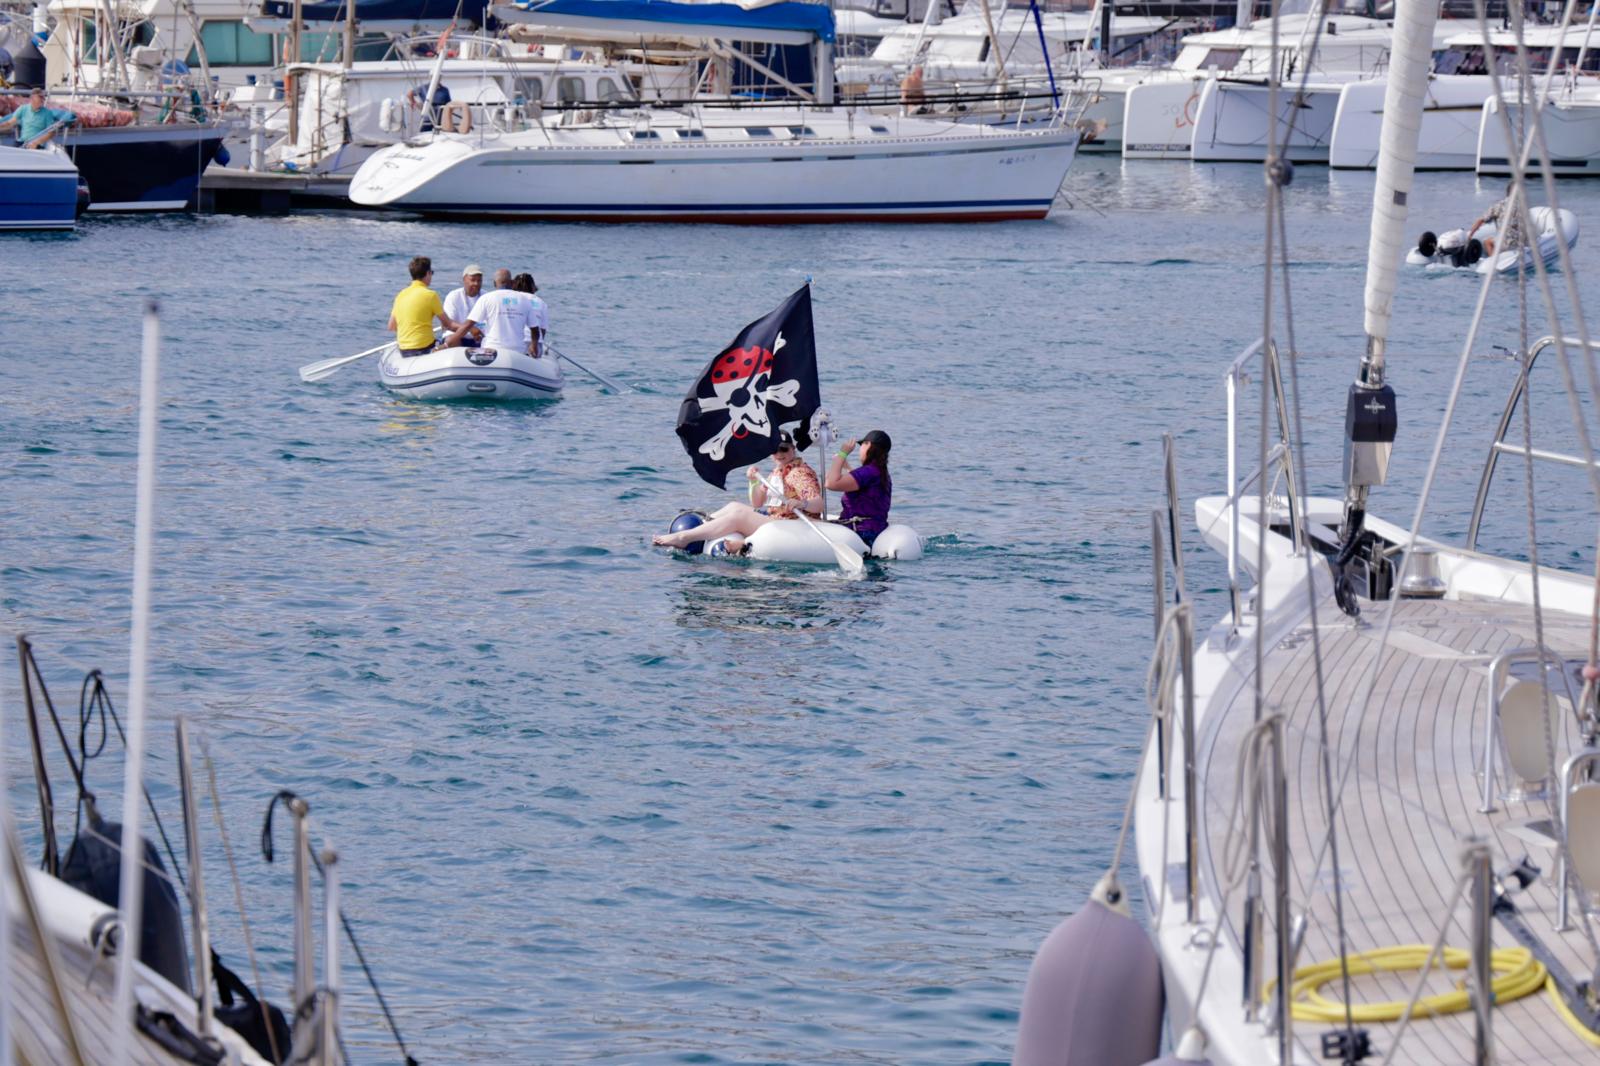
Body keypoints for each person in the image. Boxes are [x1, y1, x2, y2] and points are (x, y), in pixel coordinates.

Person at [653, 430, 823, 550]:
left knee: (739, 517)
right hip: (777, 518)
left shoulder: (800, 473)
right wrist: (753, 482)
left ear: (793, 449)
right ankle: (704, 526)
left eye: (784, 449)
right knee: (735, 506)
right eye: (774, 450)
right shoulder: (777, 471)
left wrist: (802, 503)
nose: (779, 454)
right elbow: (757, 502)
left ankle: (685, 538)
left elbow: (818, 504)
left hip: (793, 525)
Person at [447, 268, 540, 355]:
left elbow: (467, 325)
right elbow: (535, 330)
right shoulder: (525, 300)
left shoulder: (487, 298)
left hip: (491, 351)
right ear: (512, 283)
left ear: (494, 284)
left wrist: (446, 345)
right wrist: (534, 346)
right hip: (517, 352)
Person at [825, 429, 892, 548]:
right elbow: (861, 488)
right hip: (875, 530)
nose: (860, 450)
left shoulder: (868, 471)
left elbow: (830, 483)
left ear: (869, 445)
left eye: (862, 445)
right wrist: (847, 467)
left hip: (860, 533)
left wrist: (842, 454)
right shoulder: (881, 473)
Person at [386, 256, 458, 357]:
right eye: (431, 273)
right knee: (453, 340)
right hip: (424, 348)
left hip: (404, 350)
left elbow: (391, 326)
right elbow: (449, 325)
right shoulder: (431, 295)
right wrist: (468, 328)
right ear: (428, 273)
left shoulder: (401, 295)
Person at [0, 86, 76, 149]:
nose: (42, 100)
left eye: (43, 97)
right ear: (32, 98)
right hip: (22, 142)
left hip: (37, 144)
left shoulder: (47, 113)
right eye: (40, 97)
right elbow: (10, 123)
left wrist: (36, 142)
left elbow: (51, 133)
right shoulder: (23, 109)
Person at [1468, 181, 1522, 258]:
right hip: (1519, 243)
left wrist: (1470, 235)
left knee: (1487, 242)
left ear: (1507, 192)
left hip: (1505, 244)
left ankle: (1493, 261)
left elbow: (1480, 220)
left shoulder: (1498, 205)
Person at [443, 264, 485, 347]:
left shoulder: (486, 296)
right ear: (464, 279)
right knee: (451, 340)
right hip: (458, 337)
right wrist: (470, 329)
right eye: (472, 280)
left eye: (479, 280)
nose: (476, 283)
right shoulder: (453, 296)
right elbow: (448, 324)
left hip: (479, 339)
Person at [511, 273, 549, 357]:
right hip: (535, 344)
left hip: (516, 342)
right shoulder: (541, 303)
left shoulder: (512, 299)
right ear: (533, 286)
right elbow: (542, 330)